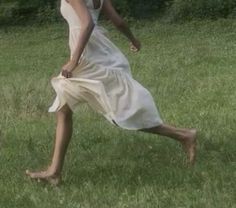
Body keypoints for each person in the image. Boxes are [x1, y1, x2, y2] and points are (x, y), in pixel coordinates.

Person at [26, 0, 197, 185]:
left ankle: (183, 135)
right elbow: (118, 21)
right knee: (63, 108)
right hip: (99, 51)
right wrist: (133, 39)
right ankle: (54, 171)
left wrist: (74, 60)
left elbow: (87, 23)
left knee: (120, 113)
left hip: (87, 56)